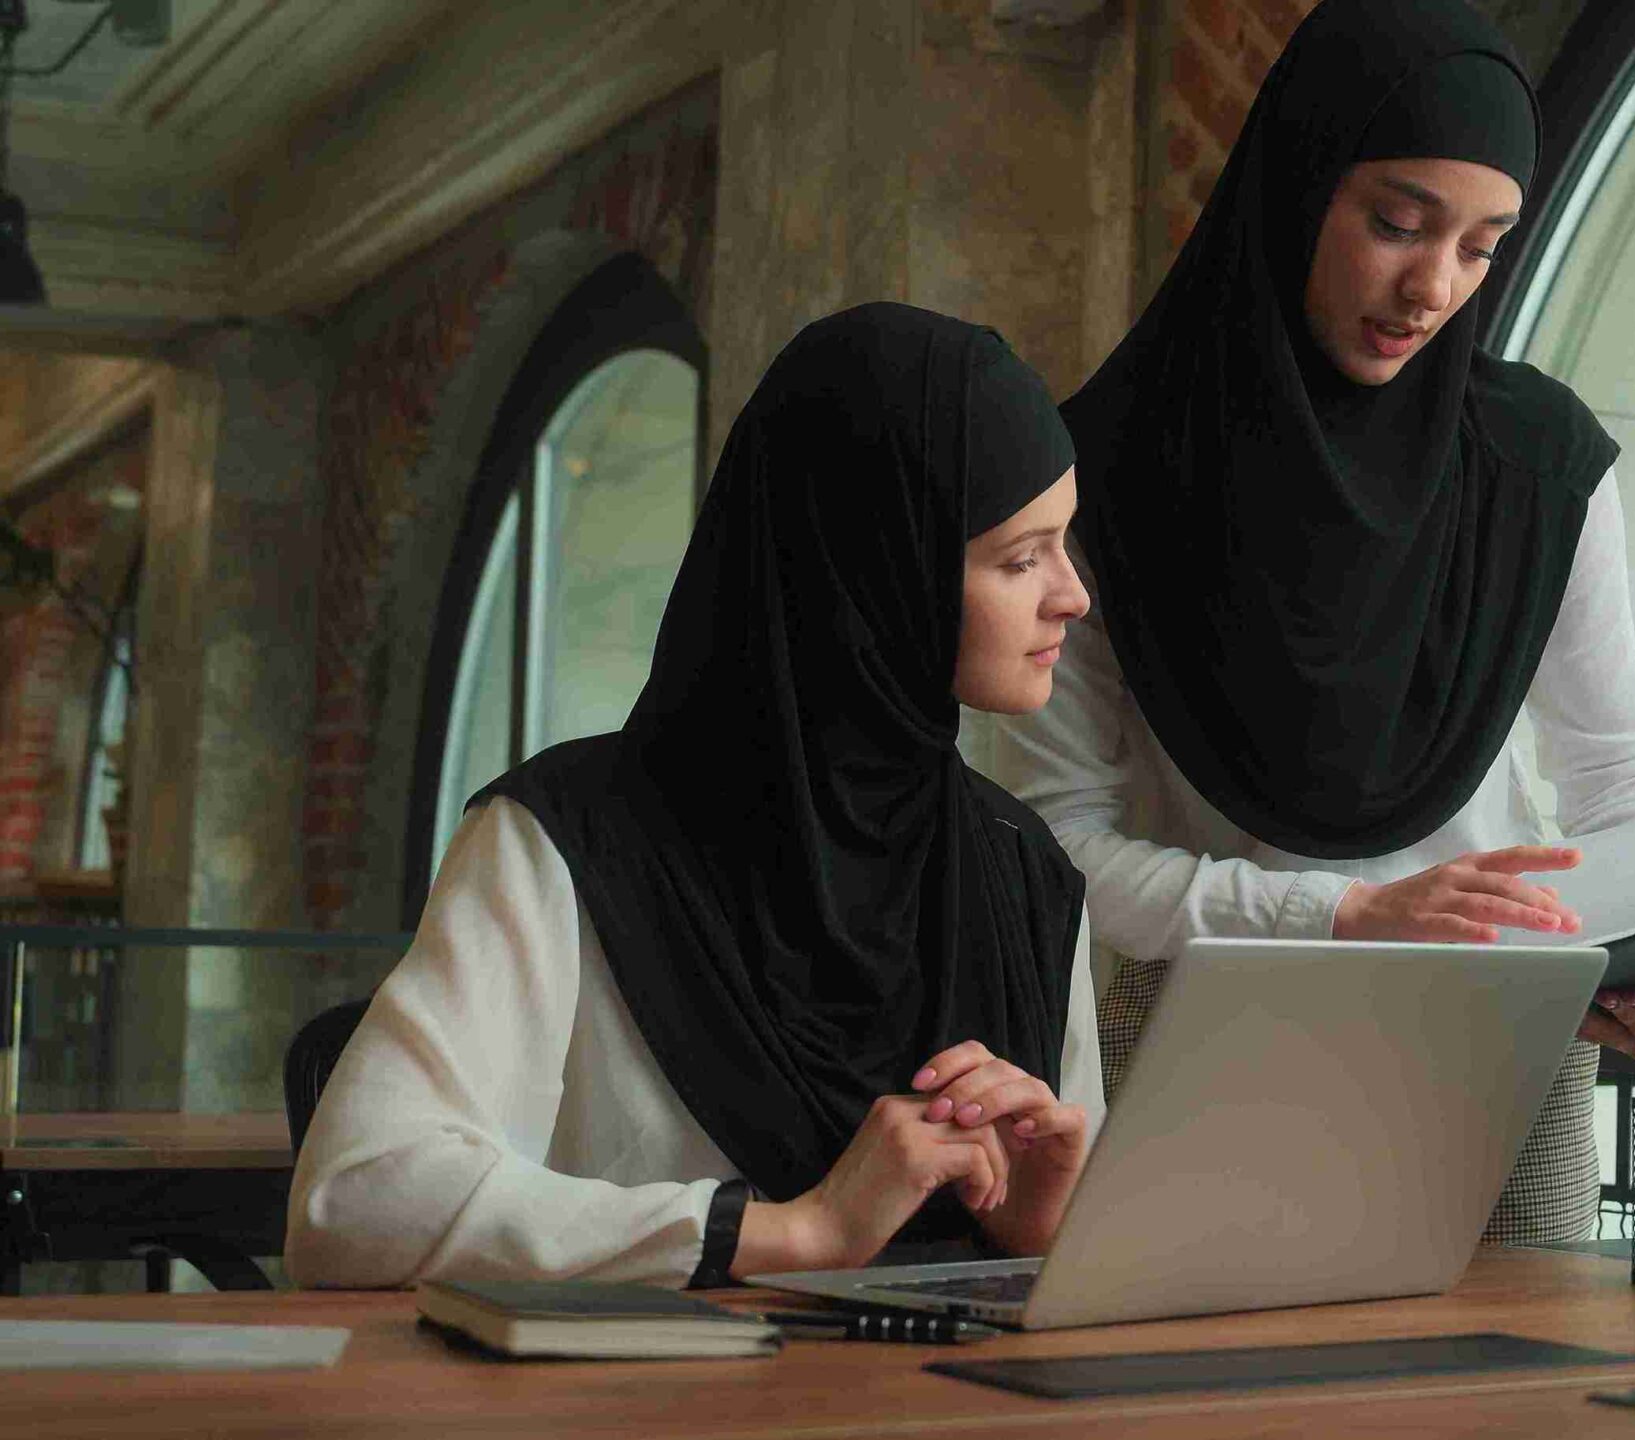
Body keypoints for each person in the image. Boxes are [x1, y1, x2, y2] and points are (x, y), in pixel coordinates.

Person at [986, 0, 1635, 1246]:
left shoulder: (1538, 464)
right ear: (1299, 183)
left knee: (1522, 1405)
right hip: (1203, 1044)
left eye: (1482, 246)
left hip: (1499, 1040)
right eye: (1398, 224)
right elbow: (1053, 849)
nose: (1433, 287)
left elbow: (1615, 767)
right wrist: (1344, 915)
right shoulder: (1102, 472)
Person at [288, 304, 1102, 1288]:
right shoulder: (567, 842)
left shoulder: (1027, 877)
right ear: (873, 570)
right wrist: (796, 1234)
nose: (1072, 595)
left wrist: (1044, 1229)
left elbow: (1066, 1274)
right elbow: (355, 1201)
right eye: (1020, 558)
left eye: (1063, 544)